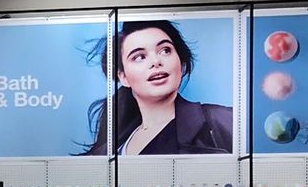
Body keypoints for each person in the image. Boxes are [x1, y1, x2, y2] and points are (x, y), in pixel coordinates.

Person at [80, 19, 234, 155]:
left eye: (165, 50)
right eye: (139, 57)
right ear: (123, 77)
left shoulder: (222, 120)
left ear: (180, 62)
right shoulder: (110, 150)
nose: (156, 61)